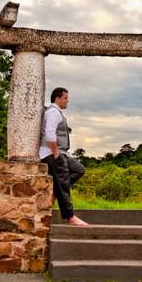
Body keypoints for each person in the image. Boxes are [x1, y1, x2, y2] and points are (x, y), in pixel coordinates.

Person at [40, 87, 89, 226]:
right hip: (51, 153)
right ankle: (70, 217)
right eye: (65, 98)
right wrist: (55, 152)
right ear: (57, 98)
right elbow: (49, 133)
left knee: (79, 169)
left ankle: (56, 190)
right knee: (64, 183)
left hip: (61, 153)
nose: (68, 100)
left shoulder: (57, 113)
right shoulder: (53, 113)